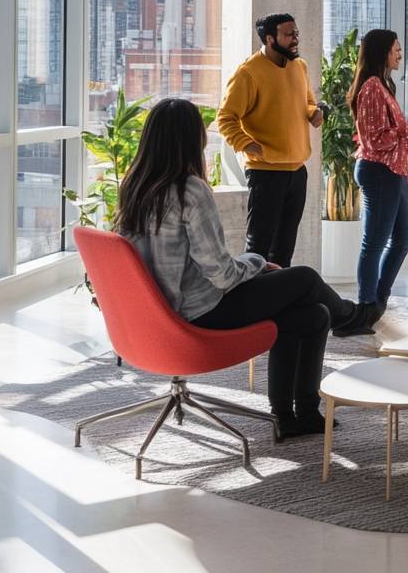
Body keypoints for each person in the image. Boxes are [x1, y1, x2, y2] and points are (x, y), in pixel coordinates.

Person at [117, 98, 373, 438]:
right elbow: (221, 275)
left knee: (311, 315)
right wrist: (254, 262)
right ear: (192, 141)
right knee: (304, 278)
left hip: (159, 313)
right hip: (200, 311)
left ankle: (295, 414)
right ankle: (349, 317)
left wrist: (253, 267)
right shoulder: (190, 192)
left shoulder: (135, 188)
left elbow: (201, 266)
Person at [347, 30, 408, 317]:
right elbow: (376, 141)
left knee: (403, 237)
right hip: (379, 173)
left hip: (394, 172)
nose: (400, 54)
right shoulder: (372, 88)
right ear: (382, 52)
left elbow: (398, 141)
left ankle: (379, 299)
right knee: (374, 242)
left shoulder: (383, 85)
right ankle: (367, 306)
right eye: (396, 49)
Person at [217, 13, 323, 269]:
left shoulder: (300, 67)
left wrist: (313, 112)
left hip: (297, 172)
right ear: (269, 38)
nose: (295, 39)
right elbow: (225, 117)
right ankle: (251, 305)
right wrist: (245, 143)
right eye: (289, 35)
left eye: (295, 33)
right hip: (265, 173)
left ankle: (278, 305)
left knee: (285, 249)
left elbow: (308, 101)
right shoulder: (249, 73)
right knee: (257, 250)